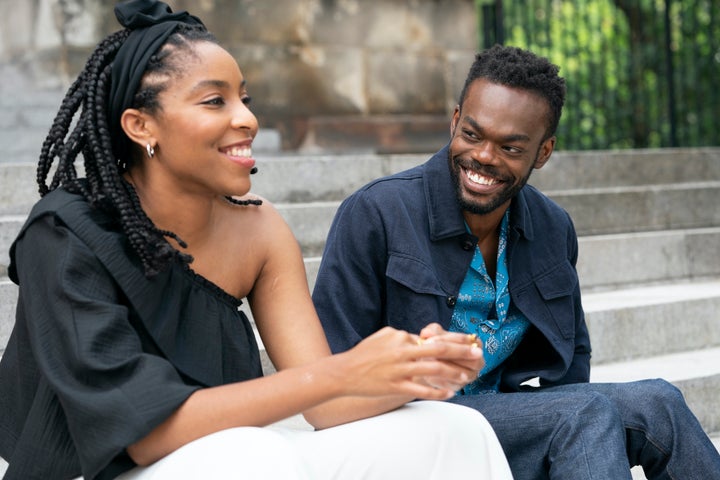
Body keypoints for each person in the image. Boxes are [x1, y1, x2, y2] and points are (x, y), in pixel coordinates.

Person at [0, 2, 515, 479]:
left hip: (228, 457)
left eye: (243, 98)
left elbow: (325, 404)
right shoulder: (66, 232)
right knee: (254, 453)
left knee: (451, 429)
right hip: (93, 469)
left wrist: (412, 372)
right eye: (214, 100)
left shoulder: (259, 229)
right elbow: (146, 432)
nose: (246, 117)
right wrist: (345, 371)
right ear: (140, 125)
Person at [312, 44, 720, 480]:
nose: (484, 156)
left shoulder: (552, 228)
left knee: (659, 402)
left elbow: (571, 357)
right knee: (581, 412)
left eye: (509, 146)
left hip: (501, 420)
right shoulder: (377, 213)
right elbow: (327, 378)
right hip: (406, 422)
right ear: (454, 122)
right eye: (472, 134)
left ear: (543, 153)